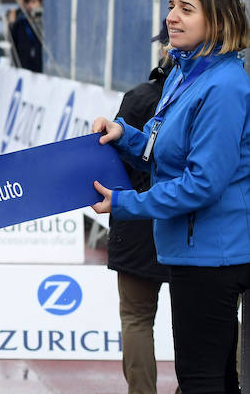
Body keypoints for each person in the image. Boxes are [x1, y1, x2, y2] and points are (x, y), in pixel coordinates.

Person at [92, 0, 250, 394]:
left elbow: (203, 184)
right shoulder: (184, 73)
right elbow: (160, 149)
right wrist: (124, 136)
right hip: (193, 251)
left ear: (217, 20)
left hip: (213, 256)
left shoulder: (224, 86)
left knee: (201, 381)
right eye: (171, 6)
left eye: (186, 9)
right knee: (216, 379)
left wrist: (125, 203)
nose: (171, 17)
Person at [106, 25, 175, 394]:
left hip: (134, 221)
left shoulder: (137, 98)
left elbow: (116, 163)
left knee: (136, 319)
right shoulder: (209, 96)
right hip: (185, 222)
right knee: (203, 320)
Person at [8, 0, 43, 72]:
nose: (21, 1)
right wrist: (11, 24)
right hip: (22, 64)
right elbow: (13, 41)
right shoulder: (18, 17)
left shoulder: (40, 17)